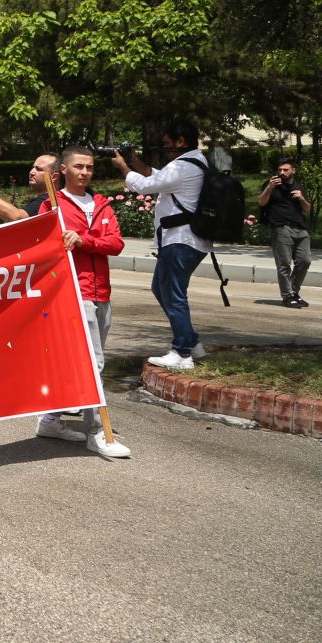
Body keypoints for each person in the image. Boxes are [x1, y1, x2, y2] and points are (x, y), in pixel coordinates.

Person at [38, 146, 131, 458]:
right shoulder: (52, 205)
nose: (85, 172)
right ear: (63, 170)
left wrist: (84, 241)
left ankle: (50, 420)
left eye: (90, 167)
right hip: (74, 294)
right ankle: (97, 432)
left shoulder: (101, 204)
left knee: (86, 363)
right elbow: (43, 249)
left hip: (101, 293)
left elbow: (116, 243)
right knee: (95, 364)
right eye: (79, 167)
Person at [113, 120, 211, 369]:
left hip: (180, 240)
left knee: (174, 294)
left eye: (168, 144)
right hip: (183, 240)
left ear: (181, 142)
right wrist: (135, 161)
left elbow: (146, 186)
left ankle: (182, 353)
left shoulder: (183, 166)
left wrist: (124, 168)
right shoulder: (194, 162)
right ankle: (191, 342)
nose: (165, 149)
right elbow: (157, 177)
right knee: (161, 288)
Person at [258, 156, 311, 308]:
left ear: (293, 170)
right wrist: (269, 187)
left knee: (304, 261)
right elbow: (261, 202)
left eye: (286, 170)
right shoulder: (271, 185)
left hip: (300, 229)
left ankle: (293, 292)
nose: (282, 172)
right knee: (284, 264)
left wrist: (301, 198)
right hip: (281, 228)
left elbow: (307, 210)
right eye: (280, 169)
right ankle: (288, 296)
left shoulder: (300, 187)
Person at [0, 153, 59, 221]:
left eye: (39, 169)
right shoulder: (46, 198)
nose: (32, 172)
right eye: (33, 167)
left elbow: (18, 217)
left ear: (54, 177)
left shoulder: (50, 200)